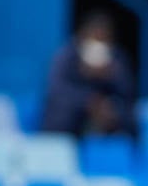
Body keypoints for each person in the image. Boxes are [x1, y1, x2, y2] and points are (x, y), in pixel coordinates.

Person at [39, 10, 137, 138]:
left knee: (123, 114)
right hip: (68, 123)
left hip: (105, 119)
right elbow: (56, 90)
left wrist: (112, 75)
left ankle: (122, 153)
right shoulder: (66, 56)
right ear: (83, 36)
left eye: (104, 39)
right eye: (94, 37)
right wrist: (87, 100)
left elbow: (128, 93)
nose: (99, 43)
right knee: (61, 112)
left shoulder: (116, 59)